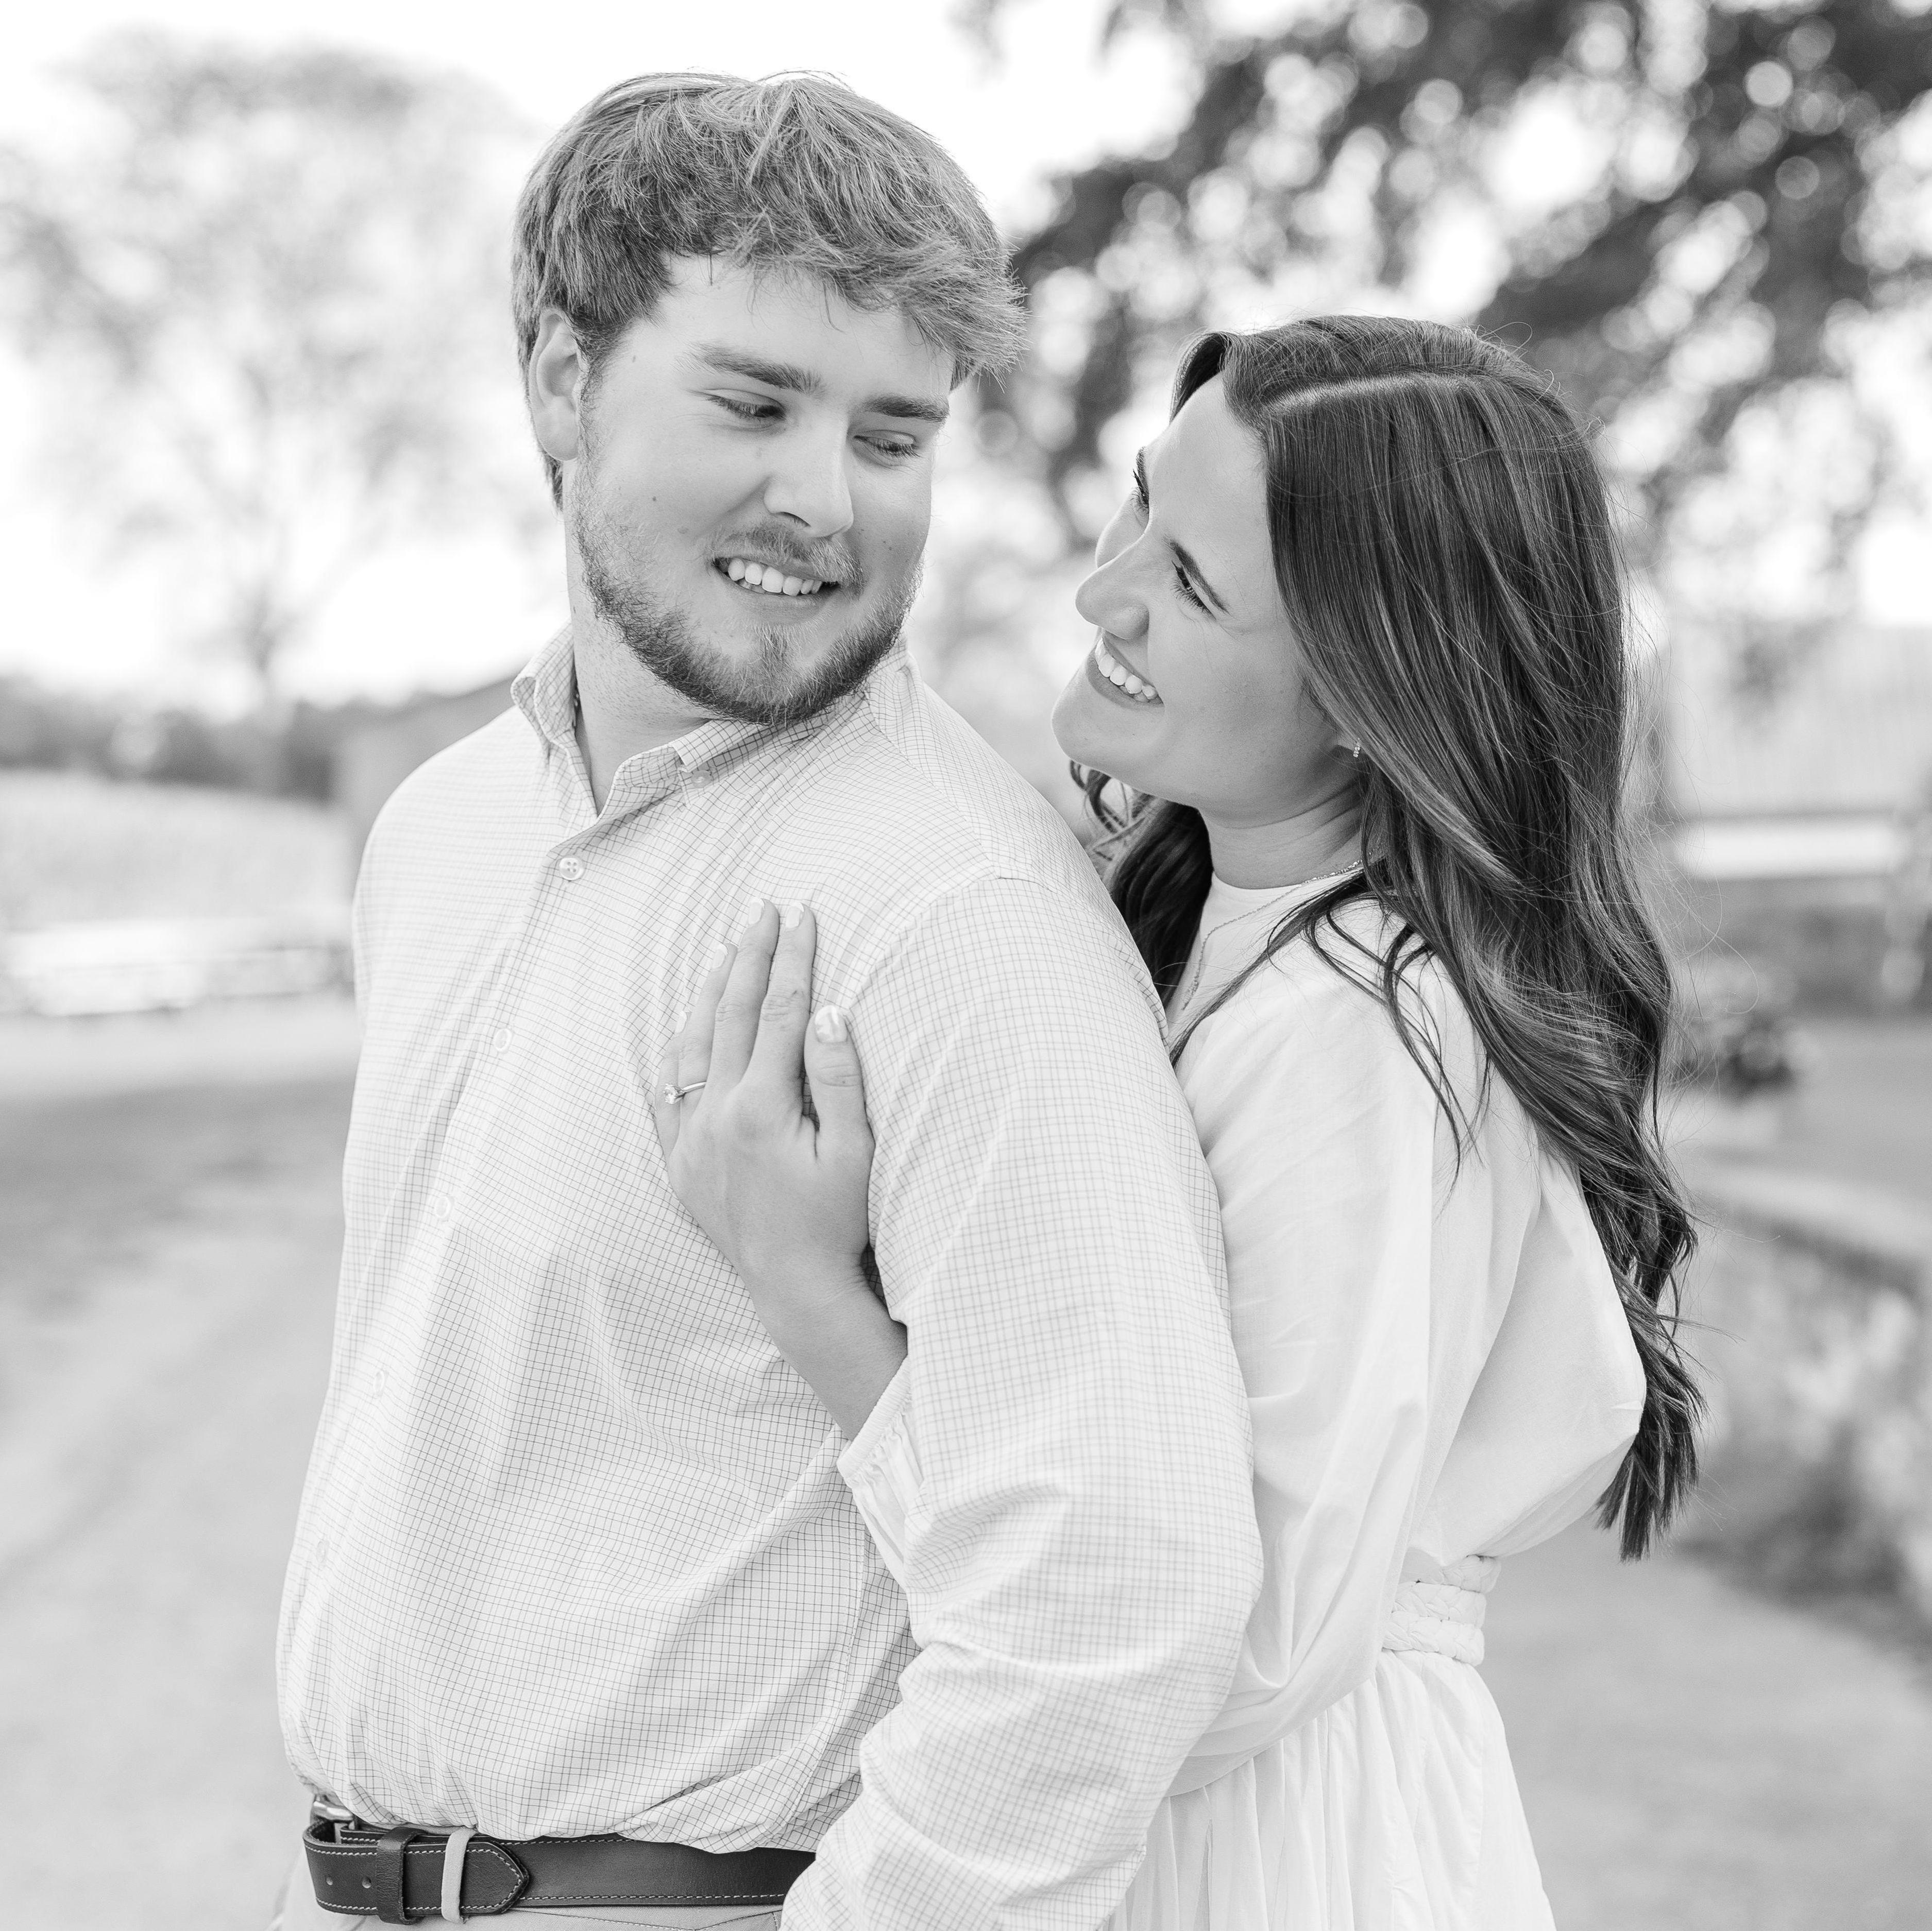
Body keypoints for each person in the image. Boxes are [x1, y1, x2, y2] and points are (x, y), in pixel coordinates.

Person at [274, 74, 1262, 1931]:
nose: (825, 500)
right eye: (755, 405)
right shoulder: (441, 829)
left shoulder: (956, 907)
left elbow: (1117, 1589)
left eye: (894, 436)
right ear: (561, 381)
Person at [657, 316, 1703, 1930]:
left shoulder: (1365, 1031)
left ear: (1374, 684)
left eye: (1197, 586)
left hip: (1277, 1852)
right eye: (1143, 506)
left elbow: (1210, 1651)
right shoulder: (1195, 941)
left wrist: (811, 1293)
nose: (1107, 594)